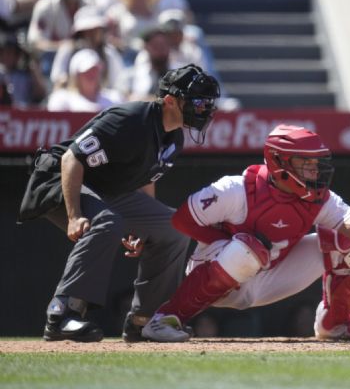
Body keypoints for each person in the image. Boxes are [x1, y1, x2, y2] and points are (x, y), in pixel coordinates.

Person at [17, 64, 221, 342]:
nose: (203, 108)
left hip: (108, 189)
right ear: (171, 101)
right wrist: (75, 214)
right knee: (106, 222)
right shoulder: (130, 119)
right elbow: (71, 159)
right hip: (59, 180)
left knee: (174, 227)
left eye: (205, 102)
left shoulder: (174, 137)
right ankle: (62, 314)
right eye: (196, 101)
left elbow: (144, 178)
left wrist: (143, 231)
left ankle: (146, 320)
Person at [140, 125, 350, 342]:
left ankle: (335, 323)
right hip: (220, 272)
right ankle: (166, 319)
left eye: (315, 163)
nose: (314, 170)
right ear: (279, 161)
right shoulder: (236, 190)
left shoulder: (317, 197)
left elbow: (349, 220)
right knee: (247, 249)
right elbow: (182, 219)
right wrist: (223, 241)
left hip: (269, 274)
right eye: (304, 162)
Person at [45, 48, 123, 111]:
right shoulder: (61, 99)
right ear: (76, 76)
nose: (92, 74)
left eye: (95, 70)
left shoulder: (114, 98)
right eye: (86, 71)